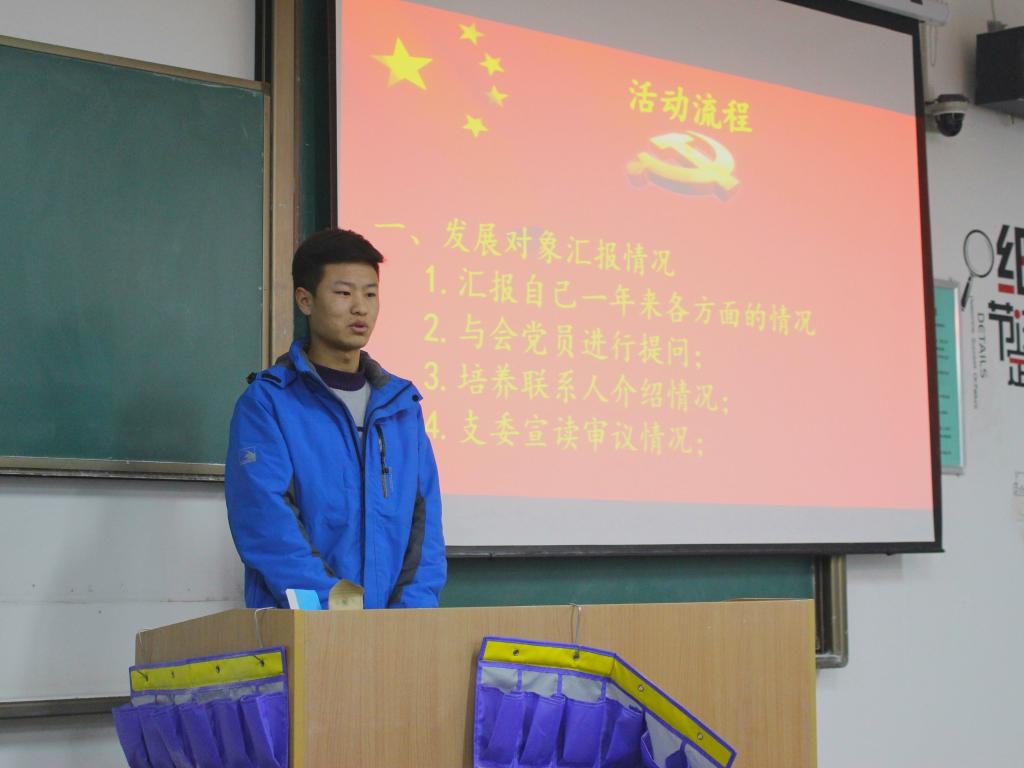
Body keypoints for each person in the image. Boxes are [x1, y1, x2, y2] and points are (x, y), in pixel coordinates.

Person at [225, 228, 446, 609]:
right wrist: (337, 608)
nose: (360, 308)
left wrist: (410, 616)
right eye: (344, 293)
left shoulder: (401, 407)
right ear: (305, 300)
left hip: (397, 632)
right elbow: (266, 525)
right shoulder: (268, 404)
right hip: (304, 629)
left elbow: (425, 529)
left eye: (370, 294)